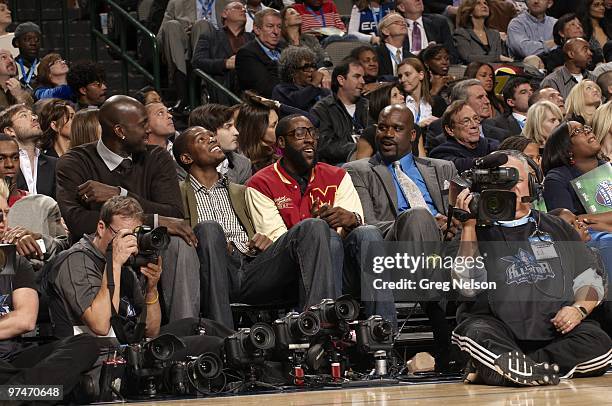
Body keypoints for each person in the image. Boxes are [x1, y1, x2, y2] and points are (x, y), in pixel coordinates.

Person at [452, 149, 611, 387]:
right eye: (500, 179)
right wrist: (468, 228)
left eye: (515, 179)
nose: (509, 186)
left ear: (533, 186)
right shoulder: (475, 231)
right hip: (498, 329)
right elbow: (467, 288)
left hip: (555, 334)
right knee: (474, 332)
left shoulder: (557, 227)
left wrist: (577, 310)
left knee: (599, 343)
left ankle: (516, 368)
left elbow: (591, 278)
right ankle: (517, 366)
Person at [173, 125, 337, 328]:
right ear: (187, 158)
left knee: (313, 226)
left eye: (211, 136)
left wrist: (265, 239)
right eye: (201, 139)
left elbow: (264, 228)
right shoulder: (176, 195)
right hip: (216, 269)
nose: (212, 139)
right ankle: (223, 336)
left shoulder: (243, 190)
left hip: (254, 265)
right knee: (209, 229)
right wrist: (214, 244)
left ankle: (316, 326)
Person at [55, 95, 201, 322]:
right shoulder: (74, 162)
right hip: (101, 250)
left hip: (149, 246)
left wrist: (118, 195)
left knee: (181, 242)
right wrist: (154, 220)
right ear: (120, 131)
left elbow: (173, 214)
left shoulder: (157, 157)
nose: (148, 130)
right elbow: (78, 221)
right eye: (142, 124)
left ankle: (184, 330)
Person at [48, 196, 233, 370]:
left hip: (132, 346)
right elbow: (100, 325)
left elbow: (150, 331)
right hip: (102, 356)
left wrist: (152, 290)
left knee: (200, 326)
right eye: (122, 234)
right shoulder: (76, 260)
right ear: (101, 227)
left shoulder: (126, 266)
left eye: (134, 234)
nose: (129, 242)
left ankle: (249, 344)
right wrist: (114, 263)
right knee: (210, 345)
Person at [245, 114, 396, 324]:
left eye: (312, 133)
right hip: (292, 272)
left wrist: (350, 220)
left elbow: (354, 223)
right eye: (299, 134)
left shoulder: (337, 175)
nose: (309, 139)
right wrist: (316, 230)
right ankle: (324, 329)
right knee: (324, 235)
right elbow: (278, 242)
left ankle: (383, 329)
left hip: (341, 267)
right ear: (281, 143)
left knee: (368, 232)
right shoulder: (261, 183)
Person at [345, 104, 460, 370]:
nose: (387, 134)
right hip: (392, 250)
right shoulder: (358, 170)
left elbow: (459, 212)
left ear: (412, 135)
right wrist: (427, 223)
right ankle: (441, 328)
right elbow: (369, 224)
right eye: (382, 127)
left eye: (397, 129)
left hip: (443, 248)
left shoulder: (443, 168)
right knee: (419, 216)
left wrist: (453, 224)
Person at [0, 207, 98, 399]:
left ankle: (11, 396)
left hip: (14, 361)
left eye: (4, 213)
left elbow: (25, 319)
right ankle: (39, 393)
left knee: (85, 344)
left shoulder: (13, 262)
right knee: (70, 386)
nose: (3, 221)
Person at [157, 0, 219, 112]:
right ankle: (182, 95)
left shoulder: (230, 3)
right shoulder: (176, 2)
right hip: (184, 48)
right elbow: (160, 39)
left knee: (201, 25)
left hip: (215, 45)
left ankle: (203, 91)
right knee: (171, 26)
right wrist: (183, 32)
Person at [192, 1, 254, 104]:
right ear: (225, 13)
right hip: (222, 88)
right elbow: (197, 62)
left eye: (244, 9)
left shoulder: (252, 38)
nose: (243, 10)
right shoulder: (210, 37)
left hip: (250, 86)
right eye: (237, 7)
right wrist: (225, 63)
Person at [542, 121, 608, 216]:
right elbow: (568, 224)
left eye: (585, 128)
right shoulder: (556, 179)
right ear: (567, 149)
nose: (587, 131)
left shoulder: (607, 167)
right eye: (577, 131)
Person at [311, 58, 370, 165]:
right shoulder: (322, 109)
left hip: (369, 160)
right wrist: (359, 148)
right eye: (357, 76)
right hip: (339, 165)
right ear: (341, 80)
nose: (363, 82)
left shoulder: (368, 106)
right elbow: (325, 145)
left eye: (363, 77)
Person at [426, 79, 509, 151]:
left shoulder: (501, 135)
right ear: (462, 102)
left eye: (486, 96)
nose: (487, 101)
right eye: (480, 97)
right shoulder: (438, 129)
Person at [0, 104, 57, 199]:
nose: (34, 118)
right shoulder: (4, 165)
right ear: (10, 131)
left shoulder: (55, 164)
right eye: (23, 115)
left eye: (33, 115)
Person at [429, 100, 500, 172]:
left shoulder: (491, 145)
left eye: (475, 119)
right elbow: (457, 165)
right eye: (466, 121)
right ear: (450, 130)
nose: (474, 125)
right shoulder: (441, 153)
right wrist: (486, 161)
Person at [189, 103, 252, 184]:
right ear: (208, 132)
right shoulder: (185, 165)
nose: (236, 132)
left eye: (234, 126)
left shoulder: (242, 164)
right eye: (228, 126)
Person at [236, 9, 284, 98]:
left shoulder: (284, 48)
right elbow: (266, 90)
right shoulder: (246, 54)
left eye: (279, 27)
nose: (276, 32)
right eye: (270, 26)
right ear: (257, 29)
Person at [537, 13, 602, 74]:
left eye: (580, 25)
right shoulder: (555, 55)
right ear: (561, 33)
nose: (578, 27)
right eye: (572, 24)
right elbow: (560, 76)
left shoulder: (592, 53)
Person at [272, 46, 332, 112]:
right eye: (306, 67)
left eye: (313, 66)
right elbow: (297, 102)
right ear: (292, 72)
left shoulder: (320, 91)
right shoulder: (281, 90)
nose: (312, 70)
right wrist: (314, 84)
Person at [357, 82, 406, 159]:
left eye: (400, 93)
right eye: (395, 95)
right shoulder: (371, 133)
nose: (402, 97)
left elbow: (423, 165)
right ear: (383, 102)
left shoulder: (413, 128)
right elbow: (359, 168)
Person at [453, 0, 512, 64]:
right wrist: (497, 58)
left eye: (485, 3)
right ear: (470, 12)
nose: (484, 6)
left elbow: (500, 57)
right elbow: (468, 57)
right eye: (478, 3)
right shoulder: (461, 33)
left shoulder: (495, 34)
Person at [236, 93, 280, 173]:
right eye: (273, 125)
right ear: (258, 130)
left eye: (278, 122)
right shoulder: (246, 165)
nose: (280, 127)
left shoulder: (280, 147)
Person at [375, 12, 413, 77]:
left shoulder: (412, 58)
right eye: (397, 22)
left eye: (404, 23)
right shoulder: (375, 54)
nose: (403, 24)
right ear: (385, 31)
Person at [12, 22, 41, 90]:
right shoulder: (10, 67)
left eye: (37, 40)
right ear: (17, 42)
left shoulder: (47, 67)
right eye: (28, 39)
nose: (33, 43)